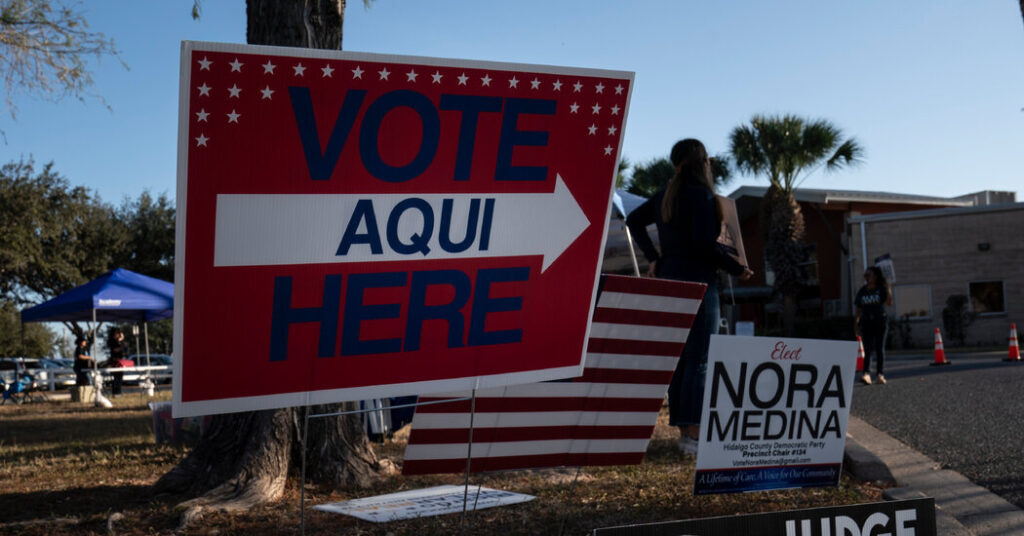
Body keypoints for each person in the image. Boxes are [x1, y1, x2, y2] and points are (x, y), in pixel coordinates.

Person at [626, 138, 753, 454]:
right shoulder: (703, 197)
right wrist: (737, 269)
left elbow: (633, 221)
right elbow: (704, 245)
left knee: (682, 358)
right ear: (703, 163)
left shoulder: (666, 196)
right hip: (699, 282)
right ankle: (693, 434)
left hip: (670, 279)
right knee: (700, 358)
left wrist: (654, 257)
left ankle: (686, 429)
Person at [855, 266, 892, 385]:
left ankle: (880, 374)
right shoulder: (862, 291)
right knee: (867, 348)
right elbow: (858, 308)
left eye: (868, 275)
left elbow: (889, 303)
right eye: (865, 275)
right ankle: (866, 374)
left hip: (880, 321)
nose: (866, 278)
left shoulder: (881, 289)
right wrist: (856, 322)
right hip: (867, 322)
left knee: (879, 347)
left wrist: (888, 288)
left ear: (875, 277)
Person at [104, 328, 128, 395]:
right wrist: (122, 347)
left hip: (120, 361)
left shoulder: (117, 341)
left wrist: (121, 338)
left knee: (120, 377)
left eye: (119, 333)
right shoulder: (112, 341)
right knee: (116, 378)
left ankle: (118, 392)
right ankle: (116, 392)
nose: (118, 334)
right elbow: (115, 350)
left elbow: (120, 340)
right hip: (115, 361)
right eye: (117, 333)